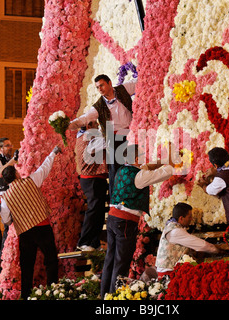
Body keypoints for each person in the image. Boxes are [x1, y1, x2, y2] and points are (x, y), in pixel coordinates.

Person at [100, 144, 178, 298]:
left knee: (110, 260)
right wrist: (171, 156)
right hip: (125, 222)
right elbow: (166, 172)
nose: (144, 159)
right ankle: (114, 298)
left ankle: (104, 296)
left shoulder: (123, 169)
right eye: (142, 156)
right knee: (121, 262)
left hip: (113, 219)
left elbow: (147, 167)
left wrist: (160, 160)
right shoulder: (139, 176)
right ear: (136, 158)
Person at [0, 146, 61, 299]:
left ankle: (26, 296)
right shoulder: (31, 181)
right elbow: (44, 168)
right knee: (51, 260)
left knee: (27, 266)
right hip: (42, 227)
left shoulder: (5, 198)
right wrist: (53, 152)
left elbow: (6, 221)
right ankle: (52, 291)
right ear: (16, 174)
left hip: (25, 232)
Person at [67, 74, 137, 197]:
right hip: (115, 139)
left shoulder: (123, 89)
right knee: (115, 172)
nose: (100, 89)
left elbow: (138, 82)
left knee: (134, 167)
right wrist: (68, 125)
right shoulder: (98, 106)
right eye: (98, 87)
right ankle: (115, 202)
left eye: (102, 85)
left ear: (110, 83)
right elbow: (84, 119)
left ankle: (131, 197)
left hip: (131, 135)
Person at [155, 203, 219, 277]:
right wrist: (217, 250)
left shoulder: (172, 227)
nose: (191, 219)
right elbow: (201, 245)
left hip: (169, 271)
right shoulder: (176, 231)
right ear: (181, 218)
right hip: (168, 273)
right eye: (189, 217)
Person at [74, 121, 108, 251]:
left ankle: (93, 242)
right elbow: (106, 140)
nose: (98, 127)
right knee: (94, 210)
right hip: (92, 179)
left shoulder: (87, 137)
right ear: (88, 126)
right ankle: (84, 241)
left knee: (98, 211)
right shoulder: (88, 138)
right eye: (95, 125)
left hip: (96, 178)